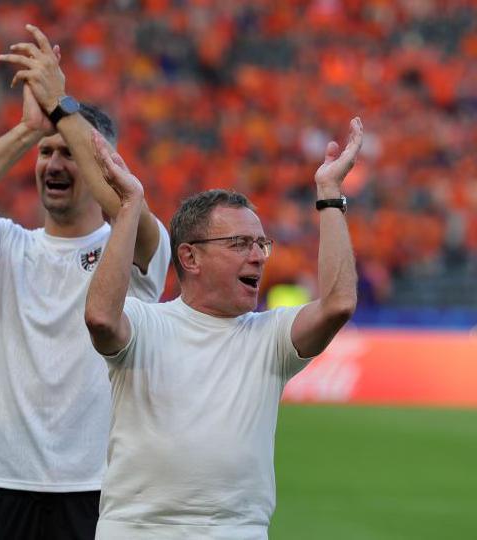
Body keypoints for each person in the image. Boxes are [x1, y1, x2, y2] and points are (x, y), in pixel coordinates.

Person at [0, 25, 170, 540]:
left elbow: (123, 199)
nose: (54, 164)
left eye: (68, 153)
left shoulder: (134, 242)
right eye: (46, 154)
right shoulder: (7, 247)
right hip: (8, 482)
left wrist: (63, 106)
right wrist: (28, 131)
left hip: (100, 488)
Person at [84, 118, 363, 539]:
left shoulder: (269, 338)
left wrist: (330, 194)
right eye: (239, 245)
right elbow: (101, 318)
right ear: (190, 258)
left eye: (260, 243)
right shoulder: (145, 322)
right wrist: (129, 207)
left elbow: (338, 303)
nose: (258, 257)